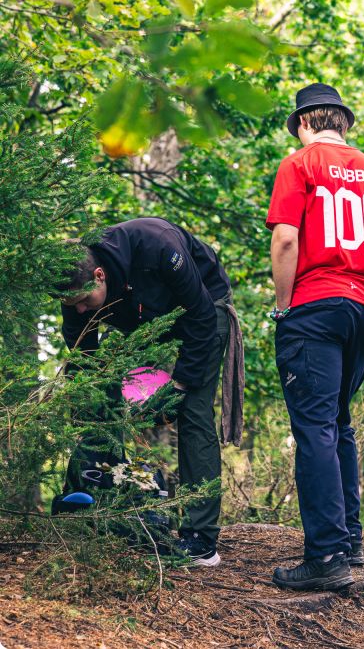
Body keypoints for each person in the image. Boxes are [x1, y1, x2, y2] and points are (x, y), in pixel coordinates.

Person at [267, 83, 364, 591]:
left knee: (315, 425)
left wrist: (284, 307)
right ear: (342, 123)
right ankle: (349, 540)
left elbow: (286, 238)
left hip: (316, 305)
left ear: (304, 123)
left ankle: (326, 556)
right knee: (338, 419)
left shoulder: (299, 164)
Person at [57, 217, 244, 567]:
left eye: (83, 301)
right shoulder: (74, 283)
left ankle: (201, 539)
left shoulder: (159, 246)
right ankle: (99, 495)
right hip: (142, 317)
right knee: (95, 385)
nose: (79, 310)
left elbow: (202, 318)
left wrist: (178, 387)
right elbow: (83, 354)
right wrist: (95, 400)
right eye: (72, 306)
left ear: (99, 276)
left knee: (192, 410)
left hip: (203, 309)